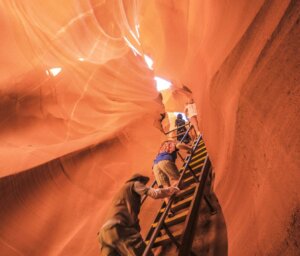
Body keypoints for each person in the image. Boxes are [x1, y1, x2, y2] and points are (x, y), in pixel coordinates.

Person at [98, 173, 179, 256]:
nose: (143, 185)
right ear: (139, 180)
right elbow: (155, 193)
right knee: (143, 253)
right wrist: (171, 190)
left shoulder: (121, 195)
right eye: (143, 183)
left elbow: (131, 217)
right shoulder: (134, 184)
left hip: (103, 235)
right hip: (118, 228)